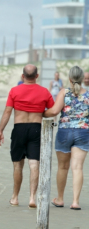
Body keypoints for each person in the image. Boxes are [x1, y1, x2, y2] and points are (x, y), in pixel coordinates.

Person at [0, 64, 54, 208]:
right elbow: (53, 111)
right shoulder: (44, 92)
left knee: (18, 165)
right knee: (34, 164)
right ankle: (32, 198)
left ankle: (15, 198)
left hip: (19, 129)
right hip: (36, 128)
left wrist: (0, 130)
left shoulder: (15, 91)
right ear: (37, 76)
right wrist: (40, 113)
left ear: (23, 76)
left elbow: (7, 112)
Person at [44, 66, 89, 210]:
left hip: (64, 132)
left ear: (69, 78)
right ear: (82, 79)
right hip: (83, 132)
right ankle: (75, 201)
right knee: (78, 168)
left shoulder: (64, 92)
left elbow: (55, 111)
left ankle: (60, 199)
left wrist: (42, 113)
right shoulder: (88, 95)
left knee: (63, 167)